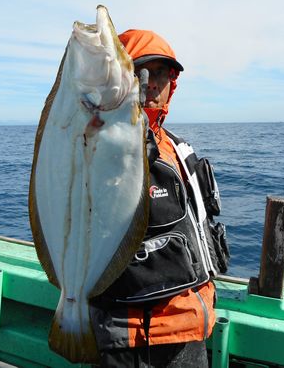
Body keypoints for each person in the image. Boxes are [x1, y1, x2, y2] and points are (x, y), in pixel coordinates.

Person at [90, 29, 229, 367]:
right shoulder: (97, 146)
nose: (152, 83)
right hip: (133, 335)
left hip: (194, 328)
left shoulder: (179, 149)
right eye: (142, 72)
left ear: (173, 82)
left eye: (162, 73)